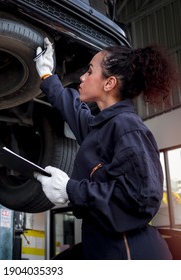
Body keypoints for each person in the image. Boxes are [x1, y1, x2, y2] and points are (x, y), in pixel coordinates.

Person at [33, 37, 178, 260]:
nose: (82, 77)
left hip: (130, 255)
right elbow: (70, 107)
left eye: (90, 71)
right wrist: (46, 74)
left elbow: (140, 198)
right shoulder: (102, 128)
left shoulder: (127, 127)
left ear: (109, 83)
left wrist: (70, 189)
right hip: (103, 245)